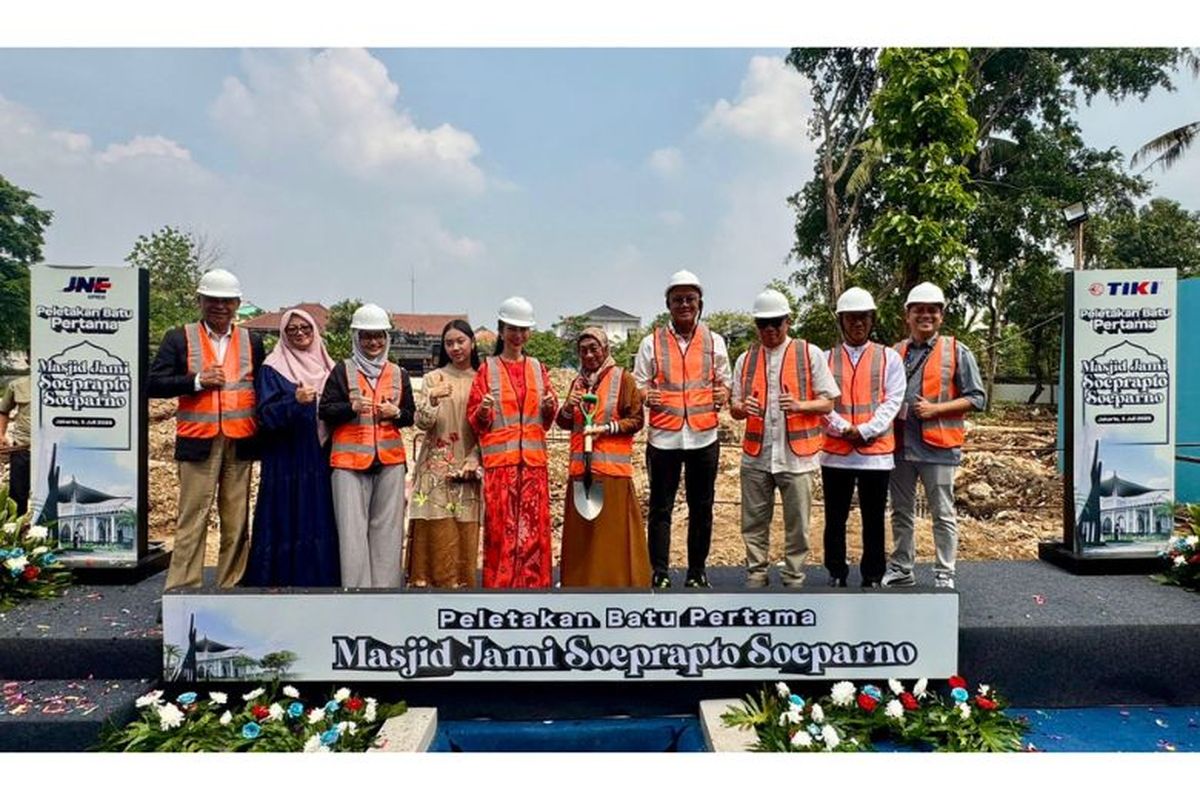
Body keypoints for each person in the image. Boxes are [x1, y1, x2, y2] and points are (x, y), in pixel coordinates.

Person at [149, 268, 265, 590]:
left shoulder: (252, 341)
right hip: (198, 442)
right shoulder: (179, 337)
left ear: (237, 304)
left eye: (227, 301)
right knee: (193, 517)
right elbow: (153, 383)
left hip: (240, 440)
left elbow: (261, 388)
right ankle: (183, 590)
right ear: (200, 300)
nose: (220, 307)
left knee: (236, 520)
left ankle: (231, 586)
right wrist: (196, 381)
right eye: (213, 300)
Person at [729, 290, 838, 588]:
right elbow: (734, 408)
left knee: (798, 525)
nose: (770, 330)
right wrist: (741, 409)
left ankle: (793, 576)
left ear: (788, 321)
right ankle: (756, 573)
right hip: (756, 456)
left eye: (776, 323)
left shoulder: (809, 353)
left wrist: (801, 406)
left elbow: (828, 402)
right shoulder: (745, 360)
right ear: (756, 325)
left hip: (797, 457)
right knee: (753, 522)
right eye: (763, 324)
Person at [882, 282, 986, 590]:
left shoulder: (957, 350)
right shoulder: (894, 353)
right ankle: (902, 568)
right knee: (900, 512)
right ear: (908, 315)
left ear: (941, 316)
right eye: (919, 311)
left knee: (942, 513)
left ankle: (944, 572)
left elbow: (977, 398)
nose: (925, 316)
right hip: (900, 447)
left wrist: (936, 409)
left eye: (932, 311)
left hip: (938, 448)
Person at [634, 270, 731, 589]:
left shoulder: (714, 341)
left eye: (690, 299)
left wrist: (724, 394)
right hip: (664, 437)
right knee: (661, 507)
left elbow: (724, 381)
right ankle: (660, 572)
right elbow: (639, 383)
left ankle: (696, 572)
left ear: (700, 302)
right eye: (678, 300)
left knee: (701, 507)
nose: (684, 305)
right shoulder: (652, 343)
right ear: (668, 305)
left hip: (704, 436)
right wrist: (646, 395)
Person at [242, 308, 340, 587]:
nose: (299, 334)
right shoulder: (273, 368)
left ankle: (319, 579)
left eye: (305, 328)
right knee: (286, 515)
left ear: (315, 331)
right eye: (292, 329)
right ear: (283, 334)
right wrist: (294, 401)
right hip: (286, 458)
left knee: (318, 516)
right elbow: (264, 416)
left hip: (319, 455)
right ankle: (279, 579)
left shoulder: (329, 366)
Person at [319, 303, 414, 588]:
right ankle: (357, 592)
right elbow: (325, 410)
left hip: (389, 461)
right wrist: (351, 407)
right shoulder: (342, 371)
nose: (373, 342)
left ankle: (384, 592)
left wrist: (395, 414)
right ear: (356, 338)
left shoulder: (398, 373)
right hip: (349, 464)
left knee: (388, 529)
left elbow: (409, 414)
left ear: (387, 338)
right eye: (367, 336)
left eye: (379, 336)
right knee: (352, 533)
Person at [467, 296, 558, 589]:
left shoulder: (537, 368)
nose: (518, 336)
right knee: (501, 531)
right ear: (502, 330)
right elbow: (476, 420)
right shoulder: (487, 369)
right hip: (500, 467)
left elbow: (546, 419)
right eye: (512, 329)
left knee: (533, 531)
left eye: (523, 329)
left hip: (533, 465)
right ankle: (500, 588)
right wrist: (482, 411)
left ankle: (535, 588)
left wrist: (548, 407)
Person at [821, 287, 905, 588]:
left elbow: (893, 401)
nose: (858, 324)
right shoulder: (826, 359)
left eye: (864, 318)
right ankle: (836, 571)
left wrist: (866, 430)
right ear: (841, 321)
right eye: (851, 318)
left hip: (876, 455)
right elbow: (821, 403)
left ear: (872, 320)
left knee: (873, 520)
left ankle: (872, 574)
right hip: (836, 454)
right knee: (835, 519)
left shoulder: (889, 358)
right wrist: (845, 429)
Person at [557, 327, 651, 588]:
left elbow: (636, 419)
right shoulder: (577, 383)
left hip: (612, 472)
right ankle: (580, 585)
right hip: (581, 473)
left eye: (594, 348)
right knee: (582, 538)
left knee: (612, 537)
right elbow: (564, 423)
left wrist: (606, 429)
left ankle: (616, 584)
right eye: (583, 350)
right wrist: (567, 407)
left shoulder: (624, 378)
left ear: (606, 349)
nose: (588, 355)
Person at [405, 319, 483, 588]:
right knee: (434, 526)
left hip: (469, 463)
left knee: (465, 527)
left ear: (472, 343)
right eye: (449, 343)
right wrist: (432, 399)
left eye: (460, 341)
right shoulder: (432, 378)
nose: (455, 348)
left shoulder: (482, 379)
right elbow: (422, 423)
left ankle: (462, 591)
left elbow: (490, 426)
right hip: (435, 465)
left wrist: (477, 456)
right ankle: (426, 587)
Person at [0, 374, 31, 517]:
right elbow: (3, 411)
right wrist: (1, 434)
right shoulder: (17, 385)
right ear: (28, 358)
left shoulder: (65, 384)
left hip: (54, 450)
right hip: (23, 447)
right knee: (17, 495)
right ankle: (14, 533)